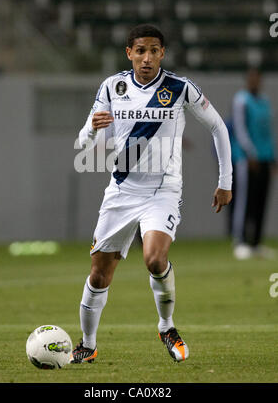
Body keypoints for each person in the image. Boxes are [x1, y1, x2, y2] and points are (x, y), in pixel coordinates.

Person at [71, 24, 232, 364]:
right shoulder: (112, 86)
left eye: (153, 51)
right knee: (99, 274)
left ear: (163, 54)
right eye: (140, 51)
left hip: (162, 191)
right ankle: (87, 344)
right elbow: (86, 138)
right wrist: (91, 129)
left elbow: (218, 126)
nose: (146, 58)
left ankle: (167, 326)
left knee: (155, 259)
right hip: (121, 190)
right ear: (129, 53)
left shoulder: (179, 88)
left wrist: (225, 181)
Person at [230, 68, 277, 260]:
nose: (255, 82)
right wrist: (250, 153)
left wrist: (272, 157)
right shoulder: (241, 100)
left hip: (265, 157)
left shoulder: (265, 101)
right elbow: (240, 128)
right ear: (247, 81)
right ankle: (240, 241)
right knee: (244, 200)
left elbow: (268, 132)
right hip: (246, 159)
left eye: (258, 79)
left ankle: (256, 242)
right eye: (252, 79)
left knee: (261, 200)